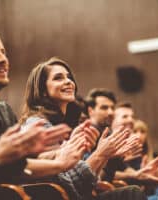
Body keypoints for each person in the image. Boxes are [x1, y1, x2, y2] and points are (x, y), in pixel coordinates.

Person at [0, 25, 84, 198]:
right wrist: (59, 163)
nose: (3, 59)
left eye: (3, 52)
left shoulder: (4, 109)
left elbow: (18, 163)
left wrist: (59, 154)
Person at [20, 57, 147, 200]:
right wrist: (100, 154)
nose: (68, 81)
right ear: (42, 91)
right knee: (132, 194)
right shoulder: (38, 124)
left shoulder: (63, 125)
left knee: (132, 193)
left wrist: (108, 157)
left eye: (68, 77)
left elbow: (90, 184)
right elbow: (71, 186)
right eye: (58, 78)